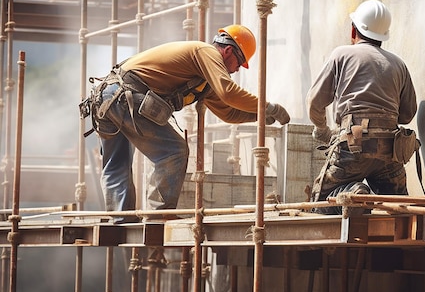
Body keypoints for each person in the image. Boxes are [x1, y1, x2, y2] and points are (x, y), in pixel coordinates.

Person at [83, 24, 290, 223]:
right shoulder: (206, 52)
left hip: (106, 98)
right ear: (228, 51)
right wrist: (268, 107)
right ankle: (160, 215)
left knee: (117, 162)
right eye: (239, 63)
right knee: (174, 151)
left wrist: (259, 115)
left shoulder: (203, 78)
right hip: (124, 96)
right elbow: (228, 92)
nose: (237, 70)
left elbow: (228, 112)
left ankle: (120, 218)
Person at [306, 0, 418, 215]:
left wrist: (321, 128)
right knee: (396, 207)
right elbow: (407, 114)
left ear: (353, 29)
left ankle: (354, 192)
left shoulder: (341, 54)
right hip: (389, 151)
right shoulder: (398, 64)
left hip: (352, 146)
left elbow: (315, 102)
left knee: (321, 204)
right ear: (384, 35)